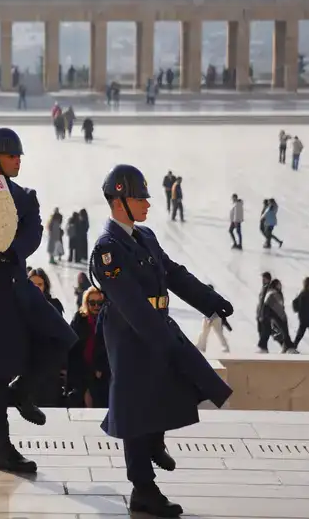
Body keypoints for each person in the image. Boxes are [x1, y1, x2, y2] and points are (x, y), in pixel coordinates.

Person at [90, 164, 234, 518]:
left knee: (182, 382)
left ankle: (155, 440)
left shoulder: (145, 237)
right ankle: (143, 488)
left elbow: (174, 275)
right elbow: (131, 304)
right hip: (129, 333)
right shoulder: (108, 249)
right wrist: (164, 341)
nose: (147, 203)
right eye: (140, 198)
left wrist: (210, 301)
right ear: (119, 200)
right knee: (135, 408)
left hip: (156, 324)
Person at [0, 128, 77, 474]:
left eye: (18, 155)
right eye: (12, 155)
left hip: (17, 282)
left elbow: (31, 235)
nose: (18, 160)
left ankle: (24, 389)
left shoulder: (25, 197)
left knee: (62, 336)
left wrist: (4, 249)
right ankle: (0, 446)